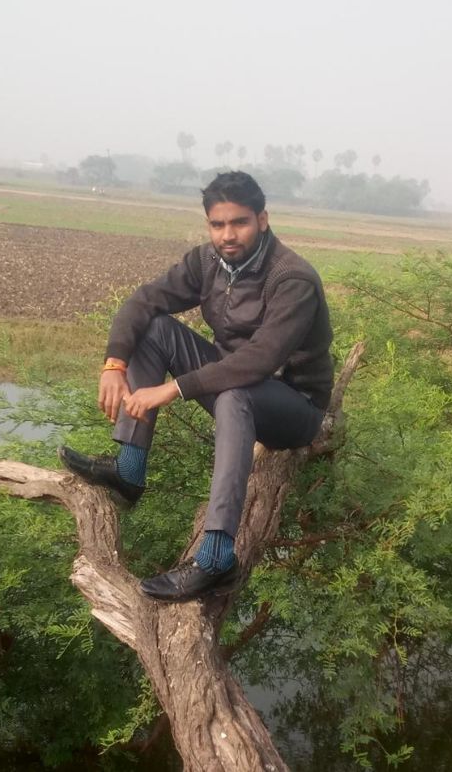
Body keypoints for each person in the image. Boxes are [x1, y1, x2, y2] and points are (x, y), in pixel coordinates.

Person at [59, 171, 333, 602]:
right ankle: (129, 469)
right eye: (217, 224)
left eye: (239, 222)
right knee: (154, 328)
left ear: (262, 220)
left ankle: (217, 558)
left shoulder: (291, 278)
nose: (228, 235)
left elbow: (260, 359)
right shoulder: (207, 262)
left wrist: (174, 389)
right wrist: (114, 364)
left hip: (294, 407)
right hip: (233, 385)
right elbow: (143, 300)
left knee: (236, 393)